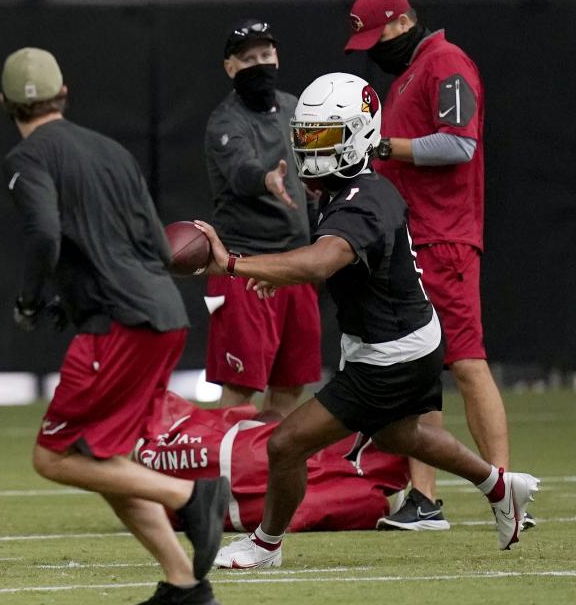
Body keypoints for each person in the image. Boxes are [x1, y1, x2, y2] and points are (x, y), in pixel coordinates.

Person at [193, 73, 538, 569]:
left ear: (356, 136)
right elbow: (320, 259)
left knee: (287, 443)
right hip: (406, 339)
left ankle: (265, 545)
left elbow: (318, 262)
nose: (311, 149)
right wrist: (279, 272)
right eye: (306, 137)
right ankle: (502, 486)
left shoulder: (362, 200)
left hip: (389, 355)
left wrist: (232, 264)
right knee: (401, 436)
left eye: (323, 138)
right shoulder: (353, 189)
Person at [0, 47, 230, 605]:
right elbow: (155, 244)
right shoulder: (111, 150)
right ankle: (185, 584)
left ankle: (192, 494)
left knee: (53, 458)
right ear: (64, 94)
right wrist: (74, 301)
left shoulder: (27, 157)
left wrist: (31, 299)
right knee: (105, 462)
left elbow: (45, 236)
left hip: (120, 328)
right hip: (163, 316)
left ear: (3, 103)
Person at [343, 0, 522, 531]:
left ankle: (506, 487)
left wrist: (381, 148)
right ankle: (424, 498)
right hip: (412, 240)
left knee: (466, 362)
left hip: (444, 239)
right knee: (415, 368)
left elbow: (457, 144)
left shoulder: (445, 62)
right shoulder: (412, 73)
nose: (374, 52)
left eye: (375, 39)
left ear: (401, 21)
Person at [204, 19, 321, 417]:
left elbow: (320, 166)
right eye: (248, 58)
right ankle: (224, 480)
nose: (259, 64)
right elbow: (241, 171)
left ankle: (271, 477)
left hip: (297, 267)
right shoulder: (225, 122)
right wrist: (267, 178)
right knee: (239, 393)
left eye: (265, 55)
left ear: (277, 57)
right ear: (230, 67)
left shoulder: (296, 109)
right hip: (246, 268)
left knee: (290, 389)